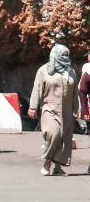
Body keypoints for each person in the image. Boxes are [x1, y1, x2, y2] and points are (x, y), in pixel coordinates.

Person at [30, 44, 77, 176]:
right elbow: (37, 89)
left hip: (67, 111)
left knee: (64, 138)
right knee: (54, 133)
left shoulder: (71, 71)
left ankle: (58, 167)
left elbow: (75, 92)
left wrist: (78, 108)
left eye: (66, 55)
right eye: (62, 55)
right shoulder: (44, 70)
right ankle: (47, 162)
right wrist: (33, 106)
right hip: (50, 108)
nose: (64, 58)